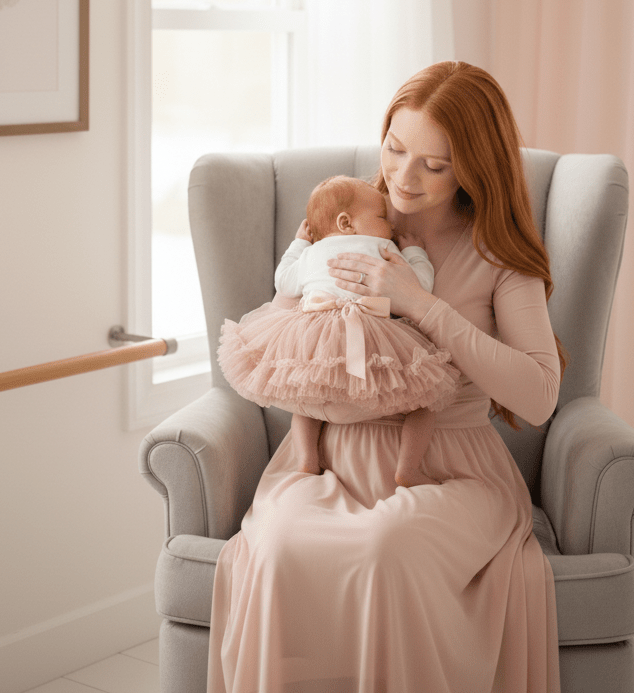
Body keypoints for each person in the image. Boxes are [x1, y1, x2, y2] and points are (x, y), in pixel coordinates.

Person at [208, 61, 565, 693]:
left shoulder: (499, 257)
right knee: (281, 546)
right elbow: (295, 345)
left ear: (475, 169)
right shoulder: (346, 221)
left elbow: (539, 398)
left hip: (451, 465)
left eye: (435, 164)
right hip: (328, 457)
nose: (403, 178)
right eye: (395, 149)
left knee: (387, 547)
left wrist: (423, 305)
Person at [216, 175, 460, 485]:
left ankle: (306, 460)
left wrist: (299, 243)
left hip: (312, 333)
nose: (392, 226)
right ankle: (408, 469)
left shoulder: (311, 253)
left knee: (306, 392)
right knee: (424, 402)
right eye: (383, 217)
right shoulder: (384, 247)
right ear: (347, 223)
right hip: (372, 331)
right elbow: (421, 286)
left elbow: (284, 282)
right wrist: (415, 253)